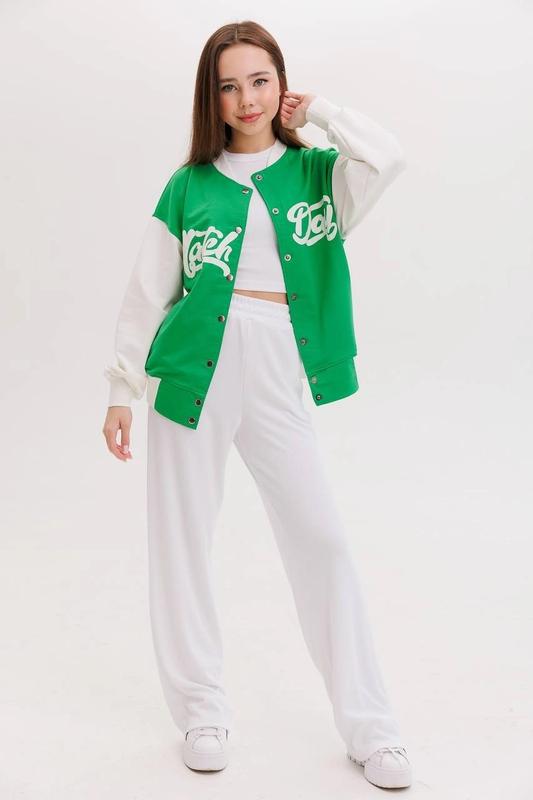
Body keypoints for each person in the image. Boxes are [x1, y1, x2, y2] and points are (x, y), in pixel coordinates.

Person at [102, 19, 411, 790]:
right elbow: (147, 290)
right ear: (210, 98)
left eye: (260, 80)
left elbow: (389, 157)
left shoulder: (320, 173)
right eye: (229, 85)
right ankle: (200, 712)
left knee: (321, 541)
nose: (246, 99)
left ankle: (371, 726)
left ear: (282, 85)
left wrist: (324, 113)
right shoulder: (189, 185)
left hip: (277, 361)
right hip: (189, 373)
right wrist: (121, 387)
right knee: (181, 542)